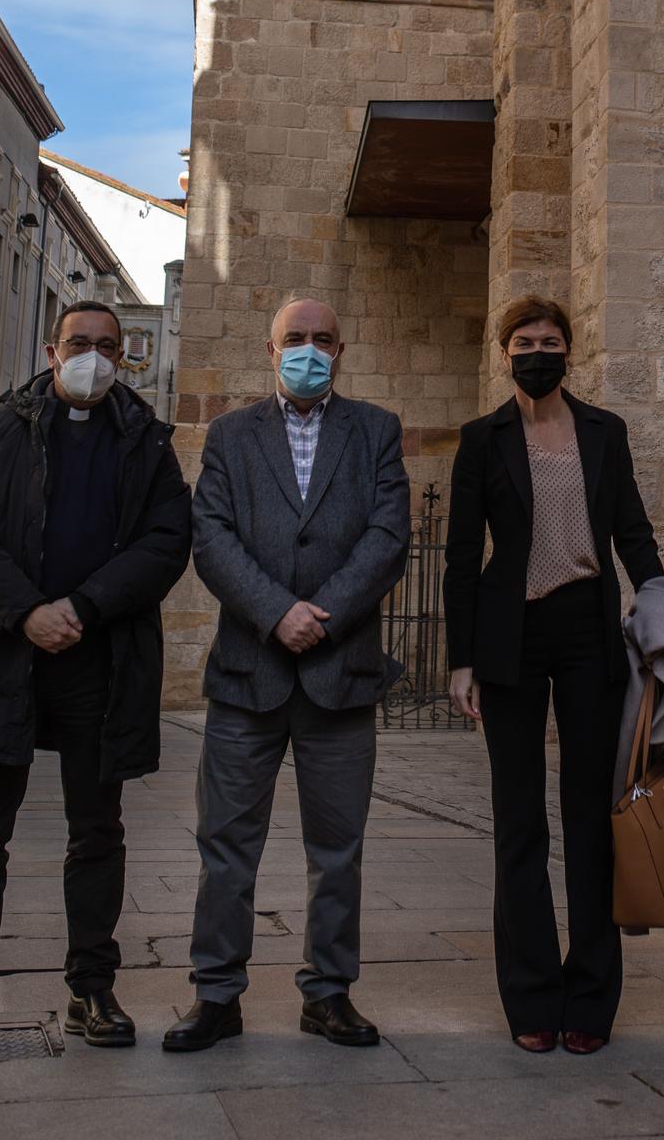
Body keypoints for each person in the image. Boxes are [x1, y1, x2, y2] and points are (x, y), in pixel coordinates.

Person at [0, 302, 192, 1061]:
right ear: (51, 350)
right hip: (6, 660)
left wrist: (84, 607)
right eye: (78, 344)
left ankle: (91, 989)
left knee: (96, 833)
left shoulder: (147, 444)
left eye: (107, 347)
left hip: (100, 665)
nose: (92, 356)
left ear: (123, 357)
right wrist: (28, 611)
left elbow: (167, 541)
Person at [165, 297, 409, 1053]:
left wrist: (322, 613)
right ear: (268, 350)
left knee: (337, 849)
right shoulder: (232, 436)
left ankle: (328, 993)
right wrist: (277, 613)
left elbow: (388, 535)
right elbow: (211, 538)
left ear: (343, 350)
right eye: (293, 339)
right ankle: (216, 994)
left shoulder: (374, 431)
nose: (308, 351)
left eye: (322, 340)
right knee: (226, 846)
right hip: (249, 673)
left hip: (340, 673)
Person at [444, 296, 664, 1056]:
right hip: (510, 633)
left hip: (586, 632)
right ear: (506, 353)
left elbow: (630, 527)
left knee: (588, 819)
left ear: (570, 351)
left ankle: (590, 1001)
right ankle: (532, 998)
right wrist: (461, 658)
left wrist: (662, 602)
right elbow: (460, 555)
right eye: (524, 342)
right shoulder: (482, 439)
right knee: (518, 822)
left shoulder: (604, 431)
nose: (537, 351)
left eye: (550, 341)